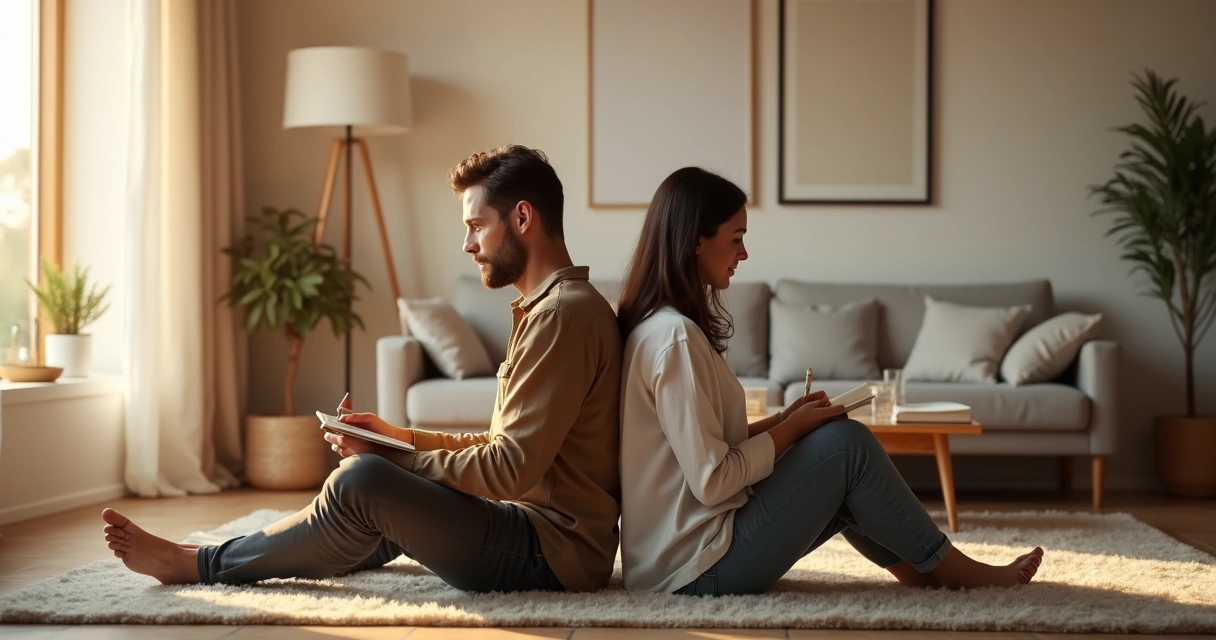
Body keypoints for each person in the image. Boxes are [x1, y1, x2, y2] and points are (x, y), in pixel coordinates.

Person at [101, 145, 623, 593]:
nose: (468, 245)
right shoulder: (553, 309)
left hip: (552, 553)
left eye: (476, 226)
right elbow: (502, 446)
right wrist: (397, 438)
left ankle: (199, 565)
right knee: (372, 499)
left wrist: (388, 460)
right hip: (536, 532)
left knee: (364, 480)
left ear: (523, 219)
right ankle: (216, 557)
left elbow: (507, 470)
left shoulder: (560, 317)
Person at [616, 166, 1043, 595]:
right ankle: (961, 572)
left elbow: (706, 447)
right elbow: (713, 480)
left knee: (836, 452)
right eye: (736, 238)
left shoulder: (665, 329)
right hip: (694, 569)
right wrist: (790, 429)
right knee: (846, 447)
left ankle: (924, 573)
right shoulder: (674, 339)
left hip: (694, 553)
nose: (743, 254)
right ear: (695, 241)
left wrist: (786, 420)